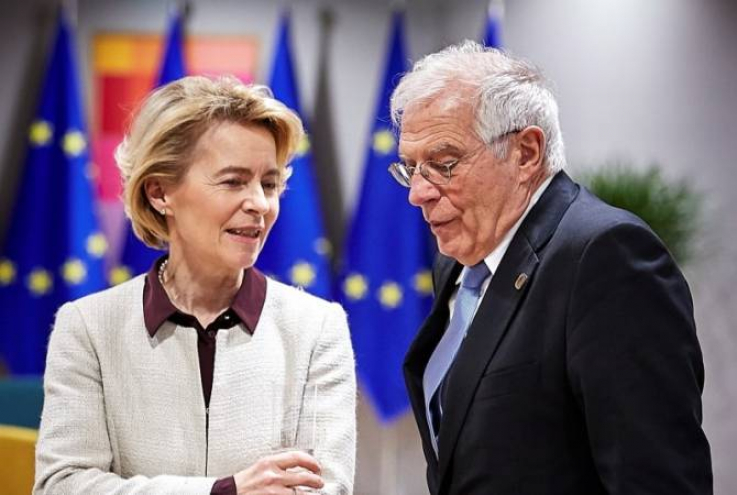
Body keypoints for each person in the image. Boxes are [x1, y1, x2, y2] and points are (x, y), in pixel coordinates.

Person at [389, 41, 712, 494]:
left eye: (443, 165)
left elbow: (659, 481)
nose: (417, 193)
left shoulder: (606, 257)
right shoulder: (457, 264)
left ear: (526, 153)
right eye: (410, 168)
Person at [34, 76, 356, 495]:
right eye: (233, 181)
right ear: (159, 193)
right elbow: (62, 485)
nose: (260, 204)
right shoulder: (88, 327)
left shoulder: (318, 328)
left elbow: (326, 488)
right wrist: (224, 491)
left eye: (269, 184)